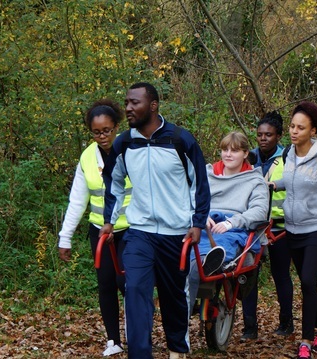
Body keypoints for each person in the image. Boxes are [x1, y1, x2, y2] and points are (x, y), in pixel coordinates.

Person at [100, 82, 210, 359]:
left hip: (176, 234)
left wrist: (197, 223)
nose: (128, 108)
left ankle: (177, 350)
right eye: (126, 102)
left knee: (174, 298)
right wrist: (110, 221)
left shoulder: (180, 140)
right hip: (140, 232)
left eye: (134, 102)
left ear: (153, 105)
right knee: (134, 288)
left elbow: (200, 184)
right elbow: (113, 183)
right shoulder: (125, 143)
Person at [58, 99, 130, 357]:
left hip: (130, 229)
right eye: (97, 132)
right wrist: (64, 237)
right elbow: (78, 200)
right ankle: (113, 339)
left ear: (116, 127)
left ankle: (137, 327)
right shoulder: (87, 157)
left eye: (107, 130)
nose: (102, 136)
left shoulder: (129, 148)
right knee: (106, 284)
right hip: (100, 231)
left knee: (127, 281)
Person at [272, 101, 317, 359]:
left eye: (300, 128)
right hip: (293, 229)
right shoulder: (288, 154)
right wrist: (274, 184)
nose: (294, 132)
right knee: (307, 281)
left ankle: (306, 340)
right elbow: (292, 182)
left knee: (308, 281)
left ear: (314, 131)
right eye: (292, 126)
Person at [186, 131, 269, 325]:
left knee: (226, 241)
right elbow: (190, 198)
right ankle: (196, 263)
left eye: (234, 150)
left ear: (245, 153)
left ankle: (211, 261)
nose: (228, 154)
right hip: (205, 222)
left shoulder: (254, 181)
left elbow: (259, 211)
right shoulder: (207, 174)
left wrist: (232, 222)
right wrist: (201, 216)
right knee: (185, 244)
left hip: (233, 226)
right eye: (225, 150)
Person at [243, 111, 294, 339]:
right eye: (260, 135)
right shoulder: (248, 158)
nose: (263, 139)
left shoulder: (289, 158)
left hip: (279, 227)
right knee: (248, 275)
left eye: (269, 135)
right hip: (253, 227)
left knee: (280, 275)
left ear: (279, 136)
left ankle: (286, 323)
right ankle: (249, 327)